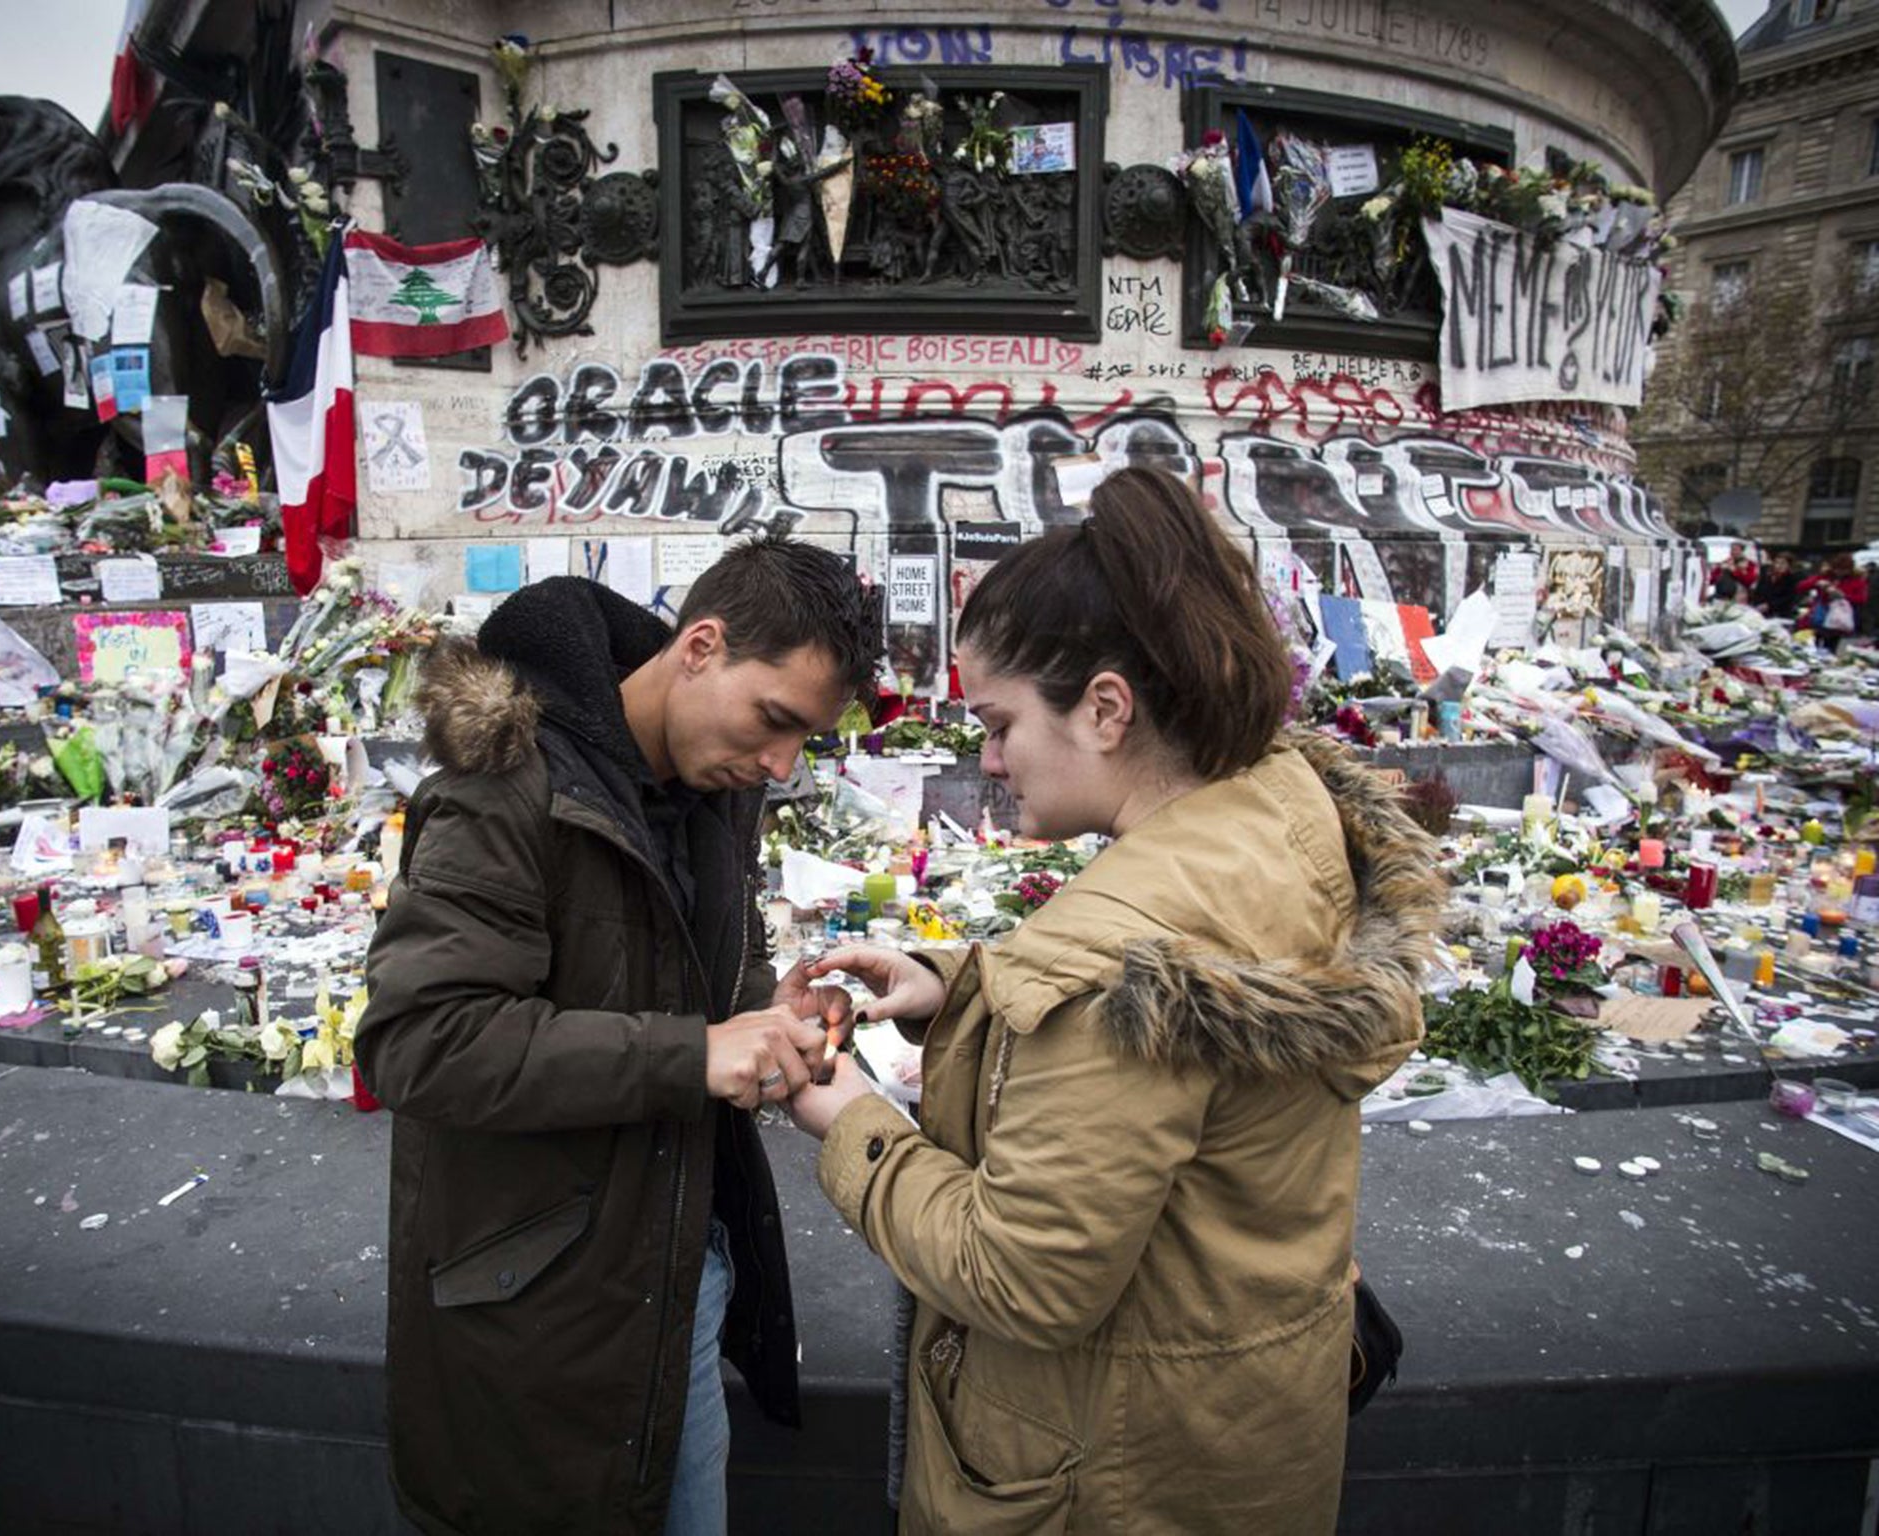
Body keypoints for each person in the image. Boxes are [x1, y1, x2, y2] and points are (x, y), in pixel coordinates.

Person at [787, 467, 1444, 1534]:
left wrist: (844, 1119)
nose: (988, 761)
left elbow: (1019, 1278)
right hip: (1235, 1439)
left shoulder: (1112, 962)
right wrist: (954, 991)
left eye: (999, 723)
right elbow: (1192, 1033)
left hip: (1102, 1480)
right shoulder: (1273, 812)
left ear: (1103, 708)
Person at [356, 540, 879, 1535]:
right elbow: (420, 1040)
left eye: (802, 740)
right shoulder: (505, 781)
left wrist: (769, 1010)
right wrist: (692, 1053)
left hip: (673, 1273)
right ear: (700, 645)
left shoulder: (712, 781)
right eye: (774, 722)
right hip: (540, 1310)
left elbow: (710, 946)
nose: (779, 763)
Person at [1799, 553, 1867, 651]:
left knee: (1833, 646)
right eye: (1837, 569)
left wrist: (1844, 596)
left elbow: (1861, 599)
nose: (1839, 572)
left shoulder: (1857, 581)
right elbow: (1801, 586)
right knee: (1816, 644)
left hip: (1839, 621)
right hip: (1822, 617)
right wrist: (1817, 583)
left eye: (1843, 570)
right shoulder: (1826, 576)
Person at [1750, 550, 1800, 620]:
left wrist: (1769, 605)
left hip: (1781, 614)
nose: (1778, 566)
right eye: (1776, 562)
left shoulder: (1792, 578)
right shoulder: (1766, 575)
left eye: (1782, 563)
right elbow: (1758, 591)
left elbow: (1788, 598)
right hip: (1762, 612)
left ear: (1789, 565)